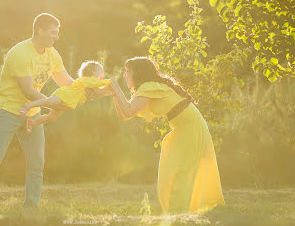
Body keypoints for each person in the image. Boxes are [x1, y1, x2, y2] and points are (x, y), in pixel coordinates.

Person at [0, 13, 80, 214]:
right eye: (52, 32)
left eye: (57, 33)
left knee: (37, 164)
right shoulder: (19, 53)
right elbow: (28, 90)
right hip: (8, 112)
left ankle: (30, 211)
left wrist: (89, 88)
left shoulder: (52, 55)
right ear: (39, 30)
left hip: (32, 115)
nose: (56, 37)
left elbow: (67, 82)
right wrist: (54, 104)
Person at [110, 56, 225, 214]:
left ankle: (179, 214)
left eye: (128, 71)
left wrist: (116, 89)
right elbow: (126, 115)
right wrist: (115, 94)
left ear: (138, 73)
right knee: (173, 171)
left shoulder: (149, 86)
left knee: (182, 171)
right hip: (183, 127)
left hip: (191, 126)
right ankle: (178, 213)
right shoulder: (147, 88)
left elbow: (128, 110)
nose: (124, 75)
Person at [20, 61, 112, 133]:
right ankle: (27, 106)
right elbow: (99, 83)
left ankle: (32, 122)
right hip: (64, 95)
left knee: (51, 118)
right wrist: (110, 81)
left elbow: (98, 90)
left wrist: (107, 91)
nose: (103, 75)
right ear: (93, 72)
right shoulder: (88, 80)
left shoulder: (90, 82)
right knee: (49, 102)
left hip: (67, 102)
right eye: (101, 72)